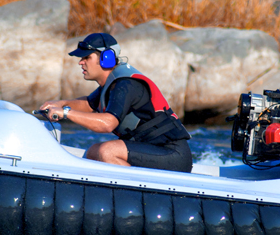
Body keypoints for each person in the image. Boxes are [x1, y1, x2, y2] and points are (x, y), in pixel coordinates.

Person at [40, 32, 193, 173]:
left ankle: (137, 196)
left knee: (107, 151)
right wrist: (59, 104)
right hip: (153, 150)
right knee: (94, 152)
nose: (81, 62)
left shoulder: (125, 85)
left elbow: (107, 124)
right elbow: (88, 104)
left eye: (86, 57)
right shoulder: (111, 84)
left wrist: (66, 113)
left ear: (106, 58)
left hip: (172, 153)